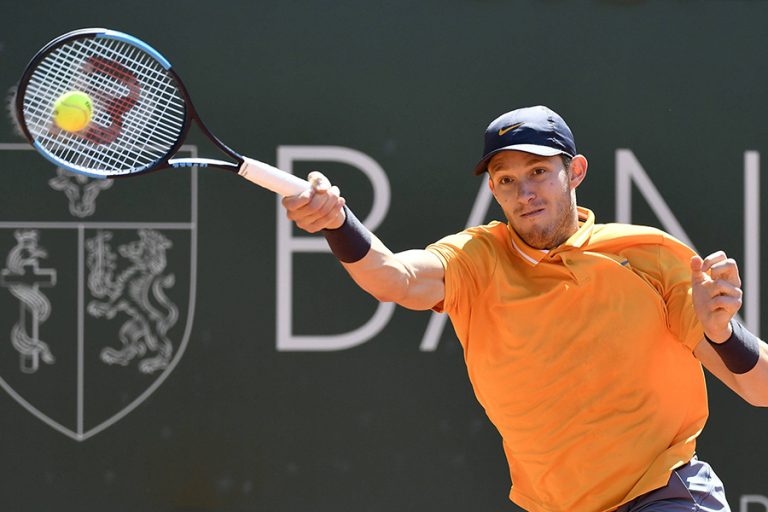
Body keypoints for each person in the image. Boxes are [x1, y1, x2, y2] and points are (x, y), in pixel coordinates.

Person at [282, 105, 768, 512]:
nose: (525, 193)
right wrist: (339, 222)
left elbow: (758, 387)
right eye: (507, 179)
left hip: (662, 493)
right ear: (493, 190)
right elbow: (394, 278)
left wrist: (724, 334)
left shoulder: (647, 256)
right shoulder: (477, 258)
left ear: (574, 171)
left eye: (538, 172)